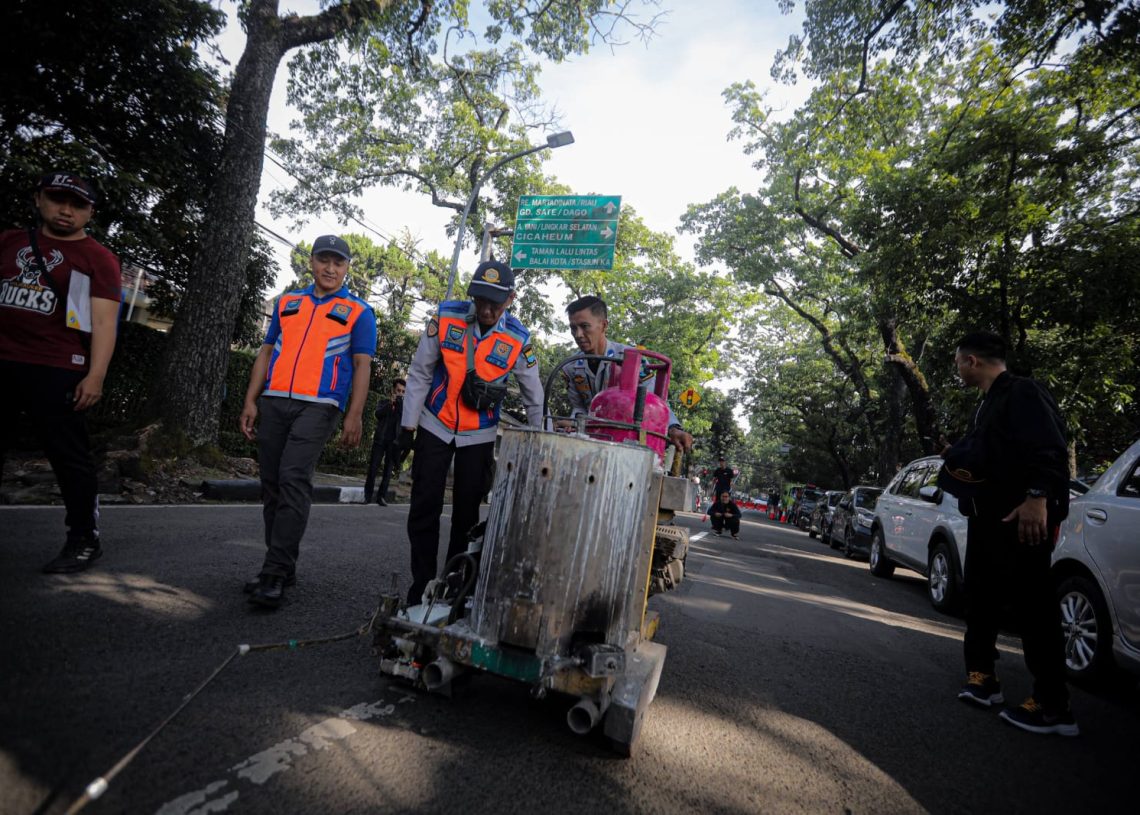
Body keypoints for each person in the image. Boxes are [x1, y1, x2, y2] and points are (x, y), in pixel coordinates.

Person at [946, 331, 1075, 735]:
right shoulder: (987, 404)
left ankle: (1053, 707)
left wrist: (1037, 497)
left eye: (957, 362)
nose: (957, 369)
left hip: (1022, 521)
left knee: (1034, 609)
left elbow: (1050, 449)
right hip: (986, 520)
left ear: (971, 361)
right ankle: (983, 679)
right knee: (979, 598)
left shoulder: (1023, 392)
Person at [239, 235, 376, 609]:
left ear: (348, 268)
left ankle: (274, 572)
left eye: (339, 262)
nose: (330, 269)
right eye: (324, 260)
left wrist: (355, 414)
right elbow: (266, 351)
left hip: (320, 406)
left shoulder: (359, 312)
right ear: (312, 262)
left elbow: (363, 365)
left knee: (293, 478)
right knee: (270, 484)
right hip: (275, 401)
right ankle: (282, 564)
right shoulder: (287, 303)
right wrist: (251, 399)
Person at [398, 260, 543, 605]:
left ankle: (452, 587)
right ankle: (420, 585)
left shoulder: (519, 340)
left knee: (465, 515)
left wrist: (540, 446)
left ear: (510, 299)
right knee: (423, 506)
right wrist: (407, 425)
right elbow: (420, 372)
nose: (487, 309)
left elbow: (534, 399)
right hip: (435, 424)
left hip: (479, 434)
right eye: (480, 300)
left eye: (495, 302)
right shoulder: (446, 318)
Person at [0, 171, 121, 573]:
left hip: (57, 366)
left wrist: (96, 375)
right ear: (39, 199)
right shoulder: (9, 242)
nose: (66, 210)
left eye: (78, 204)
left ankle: (84, 538)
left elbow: (104, 322)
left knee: (69, 458)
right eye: (57, 199)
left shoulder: (97, 258)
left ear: (90, 212)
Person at [561, 295, 693, 453]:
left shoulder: (632, 360)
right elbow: (579, 407)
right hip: (589, 443)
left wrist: (673, 428)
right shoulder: (571, 366)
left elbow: (655, 402)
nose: (578, 334)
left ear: (603, 326)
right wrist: (573, 423)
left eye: (584, 326)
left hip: (626, 443)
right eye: (573, 328)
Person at [363, 378, 407, 505]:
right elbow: (377, 414)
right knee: (373, 468)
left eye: (403, 392)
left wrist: (399, 406)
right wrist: (390, 404)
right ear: (393, 390)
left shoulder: (404, 407)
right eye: (398, 390)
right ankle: (367, 495)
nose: (400, 393)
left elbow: (404, 421)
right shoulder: (384, 402)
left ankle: (381, 497)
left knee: (388, 471)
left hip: (394, 443)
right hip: (380, 439)